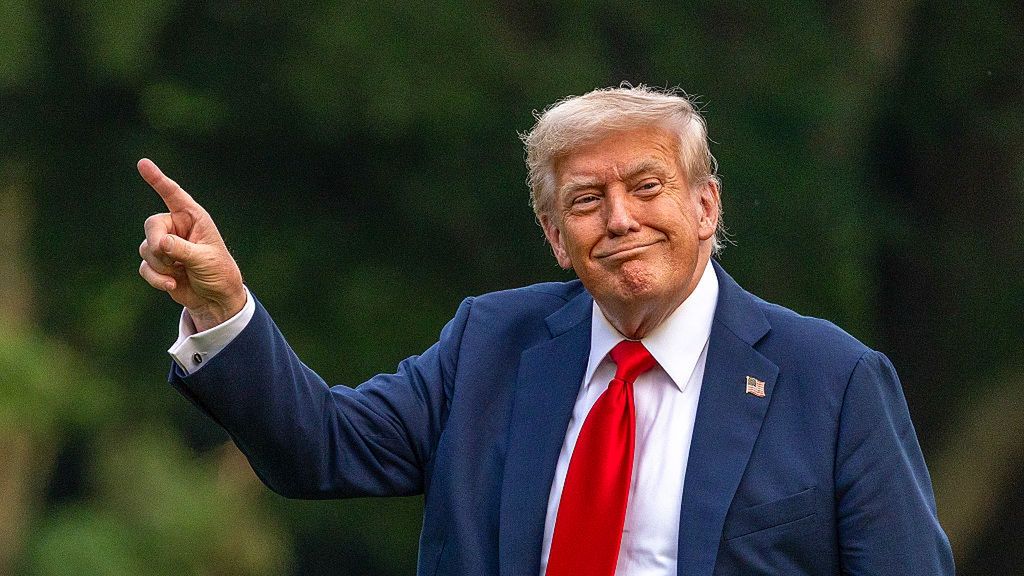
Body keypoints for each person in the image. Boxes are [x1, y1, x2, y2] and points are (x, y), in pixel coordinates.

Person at [137, 86, 954, 575]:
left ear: (705, 206)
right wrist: (223, 305)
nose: (621, 219)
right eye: (587, 201)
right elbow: (321, 447)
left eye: (647, 186)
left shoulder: (831, 379)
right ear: (555, 237)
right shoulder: (491, 341)